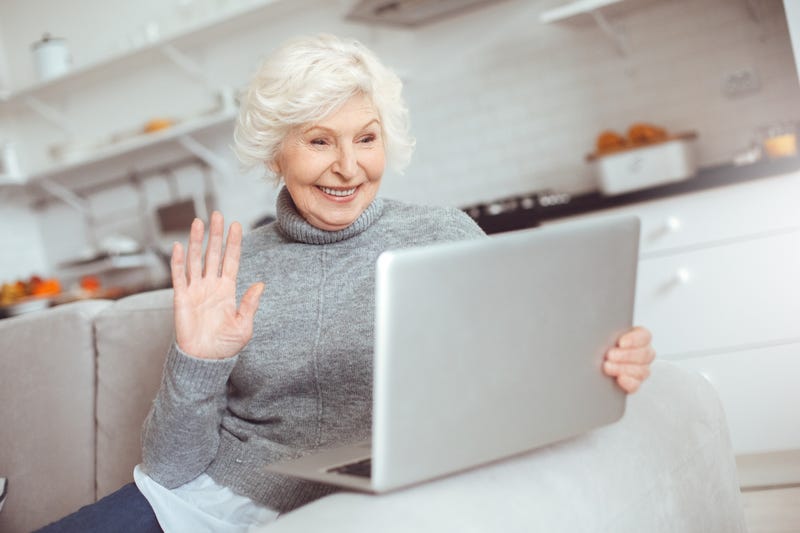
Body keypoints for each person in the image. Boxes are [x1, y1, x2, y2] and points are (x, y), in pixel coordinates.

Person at [37, 33, 655, 532]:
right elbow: (170, 467)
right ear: (275, 153)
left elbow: (520, 366)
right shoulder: (236, 266)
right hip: (203, 501)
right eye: (318, 141)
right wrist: (196, 358)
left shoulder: (441, 235)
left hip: (363, 507)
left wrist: (600, 361)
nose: (348, 167)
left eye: (366, 138)